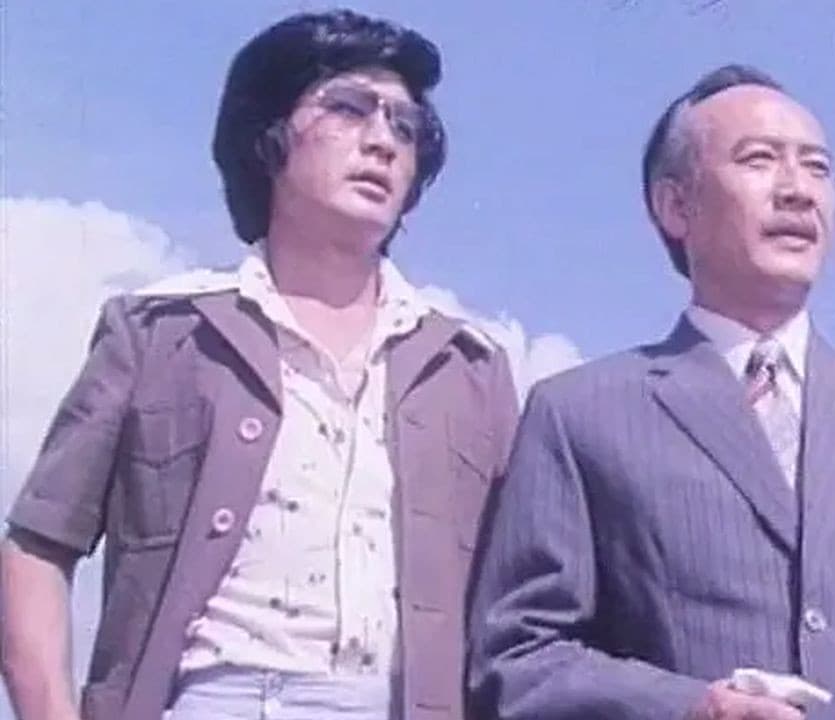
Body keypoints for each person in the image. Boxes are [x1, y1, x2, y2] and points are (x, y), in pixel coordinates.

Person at [465, 64, 835, 719]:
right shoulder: (579, 415)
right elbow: (517, 663)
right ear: (676, 205)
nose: (797, 190)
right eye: (759, 160)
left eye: (817, 167)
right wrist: (692, 707)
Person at [0, 9, 517, 720]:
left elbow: (518, 602)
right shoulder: (160, 331)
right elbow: (38, 543)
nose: (382, 141)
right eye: (348, 108)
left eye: (406, 126)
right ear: (267, 137)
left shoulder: (469, 367)